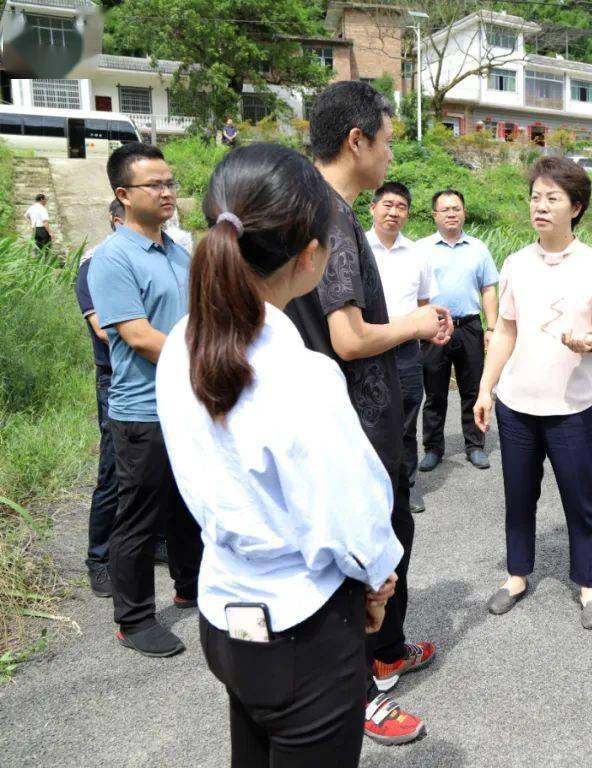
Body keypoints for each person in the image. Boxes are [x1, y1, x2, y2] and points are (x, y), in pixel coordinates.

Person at [156, 143, 402, 768]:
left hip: (225, 614)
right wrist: (376, 582)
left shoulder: (182, 344)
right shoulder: (299, 375)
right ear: (311, 256)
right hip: (303, 634)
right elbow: (350, 519)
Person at [284, 80, 450, 746]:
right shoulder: (332, 218)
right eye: (386, 139)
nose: (389, 154)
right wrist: (411, 323)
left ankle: (385, 652)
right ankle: (357, 694)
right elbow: (349, 338)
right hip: (350, 423)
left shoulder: (311, 208)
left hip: (354, 418)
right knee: (362, 558)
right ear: (357, 140)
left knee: (388, 538)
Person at [474, 156, 592, 630]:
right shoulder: (516, 263)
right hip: (518, 404)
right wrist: (485, 388)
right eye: (535, 197)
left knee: (581, 497)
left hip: (572, 407)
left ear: (575, 207)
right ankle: (517, 575)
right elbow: (504, 332)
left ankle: (590, 584)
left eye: (552, 198)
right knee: (518, 495)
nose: (540, 206)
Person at [87, 143, 204, 658]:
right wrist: (204, 363)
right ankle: (133, 618)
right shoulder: (111, 258)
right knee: (139, 516)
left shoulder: (178, 250)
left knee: (186, 506)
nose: (167, 192)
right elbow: (136, 335)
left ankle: (189, 585)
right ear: (123, 194)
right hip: (142, 411)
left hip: (186, 402)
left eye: (170, 182)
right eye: (154, 184)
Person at [365, 181, 438, 514]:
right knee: (368, 418)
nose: (394, 212)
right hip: (369, 346)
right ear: (373, 207)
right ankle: (370, 488)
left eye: (401, 207)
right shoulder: (357, 248)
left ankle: (405, 487)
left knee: (407, 419)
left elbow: (424, 304)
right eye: (388, 205)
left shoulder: (418, 254)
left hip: (407, 351)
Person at [414, 189, 499, 472]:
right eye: (446, 209)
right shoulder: (421, 249)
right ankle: (433, 448)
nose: (452, 213)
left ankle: (475, 445)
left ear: (464, 212)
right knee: (434, 392)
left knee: (472, 389)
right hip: (434, 328)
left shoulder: (478, 248)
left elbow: (489, 289)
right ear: (435, 215)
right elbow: (414, 292)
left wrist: (492, 327)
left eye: (457, 208)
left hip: (470, 327)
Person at [74, 198, 125, 598]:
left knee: (157, 466)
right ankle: (99, 558)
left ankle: (158, 541)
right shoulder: (94, 266)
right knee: (111, 470)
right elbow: (105, 330)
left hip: (156, 372)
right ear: (115, 220)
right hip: (115, 377)